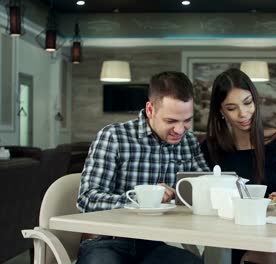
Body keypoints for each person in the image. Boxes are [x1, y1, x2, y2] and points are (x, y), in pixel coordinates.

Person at [76, 71, 208, 264]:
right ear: (150, 110)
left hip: (154, 242)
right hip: (106, 241)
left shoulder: (188, 142)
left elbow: (203, 187)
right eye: (171, 121)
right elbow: (87, 199)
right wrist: (143, 199)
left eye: (187, 120)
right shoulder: (114, 136)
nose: (180, 130)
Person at [200, 68, 276, 264]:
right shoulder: (211, 149)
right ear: (220, 111)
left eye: (247, 103)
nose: (243, 114)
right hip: (236, 237)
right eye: (231, 108)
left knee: (273, 253)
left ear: (255, 101)